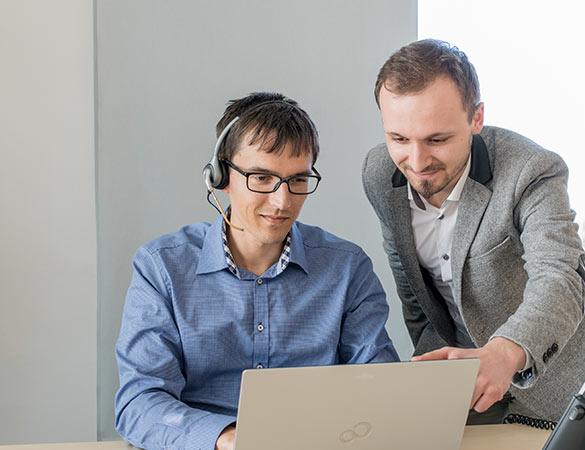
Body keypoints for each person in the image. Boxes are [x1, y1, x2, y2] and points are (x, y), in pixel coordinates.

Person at [362, 39, 585, 424]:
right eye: (399, 139)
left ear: (476, 118)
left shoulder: (530, 170)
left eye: (437, 139)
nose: (416, 162)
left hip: (568, 400)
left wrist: (503, 354)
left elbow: (561, 277)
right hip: (467, 399)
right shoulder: (379, 173)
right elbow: (413, 289)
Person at [115, 92, 399, 450]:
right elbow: (139, 404)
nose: (282, 202)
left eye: (298, 180)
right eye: (261, 178)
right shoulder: (162, 267)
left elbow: (381, 389)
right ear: (220, 176)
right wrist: (228, 439)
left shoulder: (347, 268)